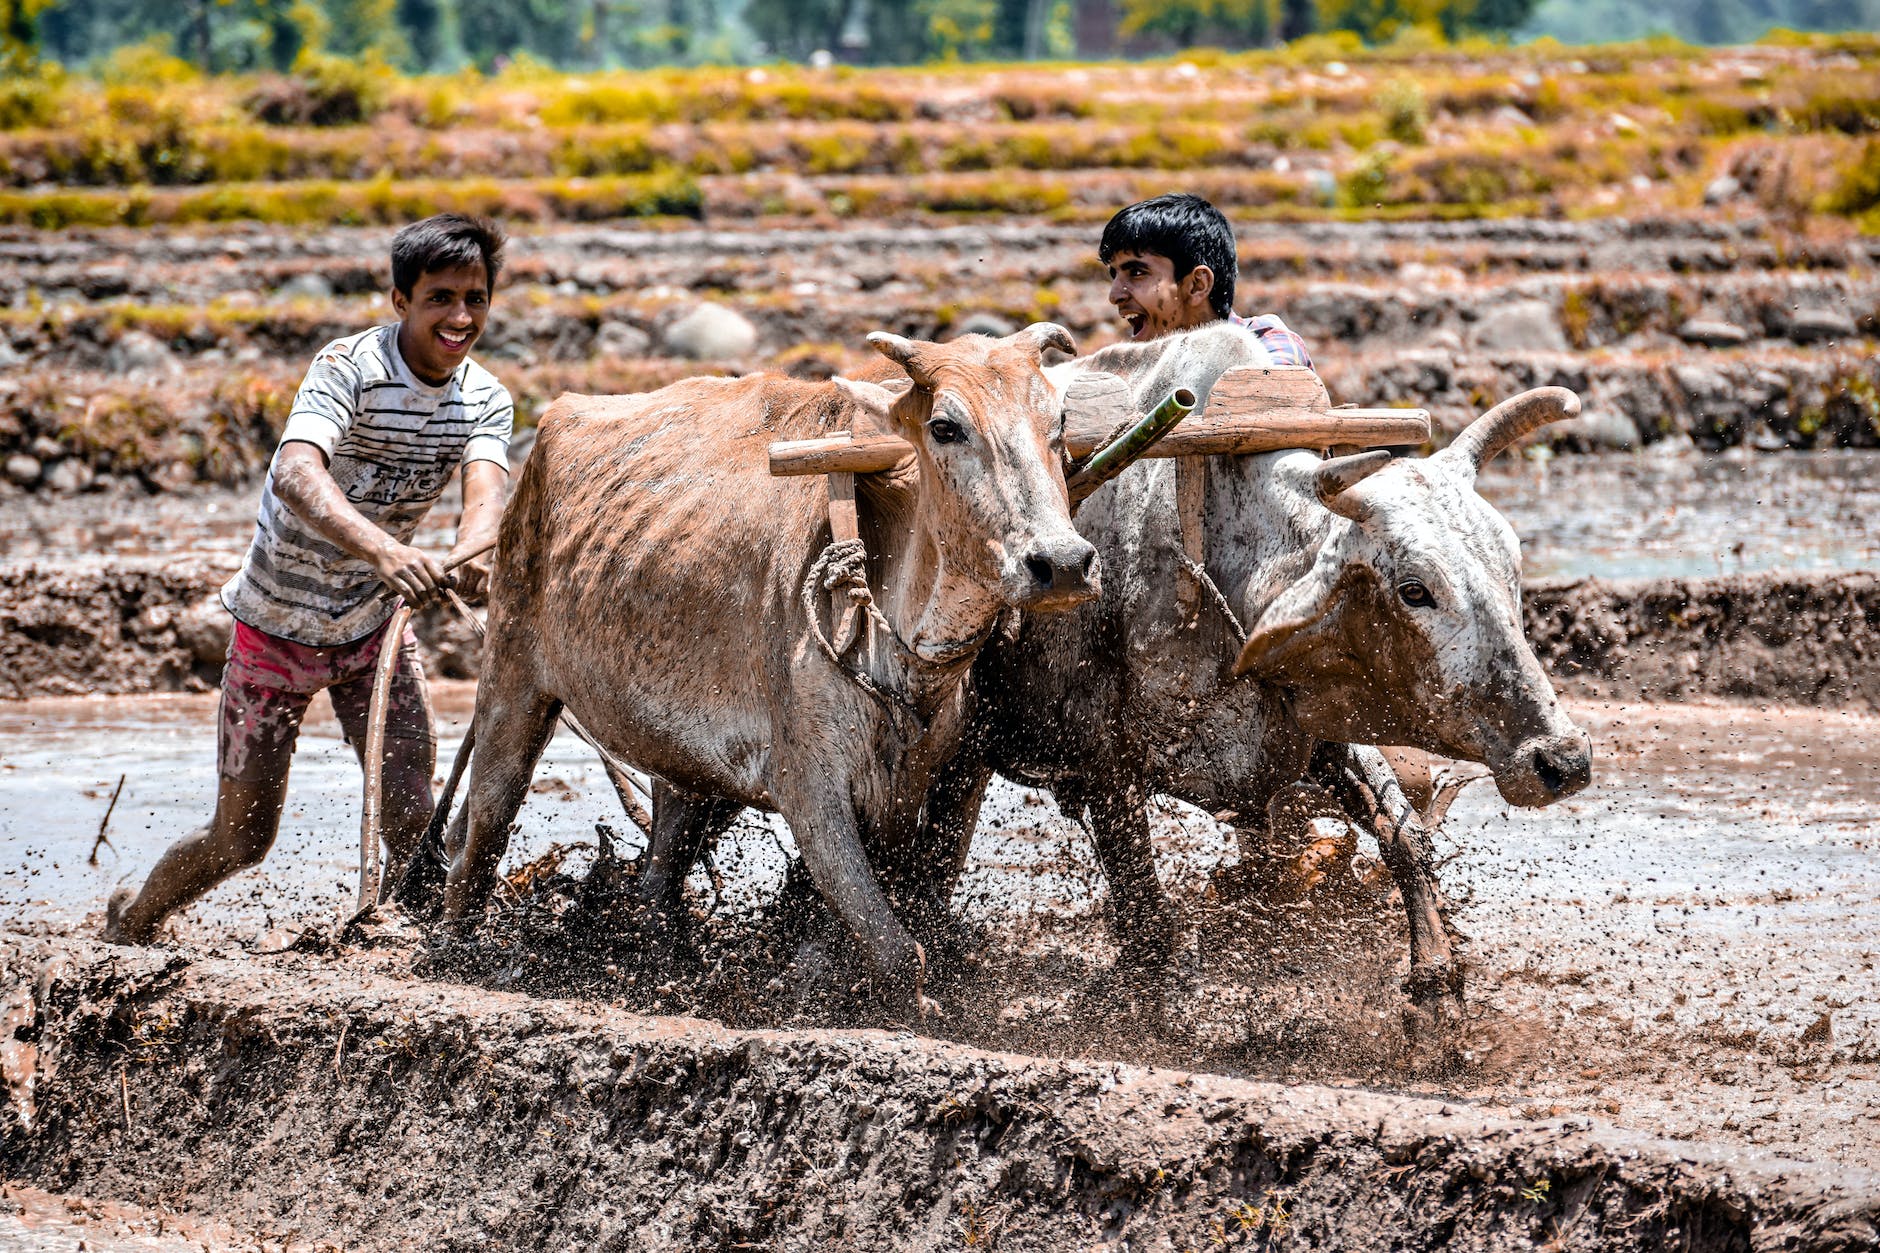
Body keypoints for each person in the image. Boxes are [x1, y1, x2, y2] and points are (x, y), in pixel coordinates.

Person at [104, 213, 514, 944]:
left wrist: (474, 553)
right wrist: (388, 552)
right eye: (440, 298)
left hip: (370, 635)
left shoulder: (484, 398)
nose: (460, 317)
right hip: (275, 630)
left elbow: (484, 501)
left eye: (476, 299)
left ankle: (397, 948)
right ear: (400, 301)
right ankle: (133, 920)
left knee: (415, 819)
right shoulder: (347, 368)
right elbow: (296, 473)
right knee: (242, 839)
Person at [1098, 192, 1312, 367]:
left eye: (1136, 272)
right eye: (1114, 275)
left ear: (1197, 285)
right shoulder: (1139, 369)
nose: (1114, 295)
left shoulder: (1267, 343)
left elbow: (1265, 392)